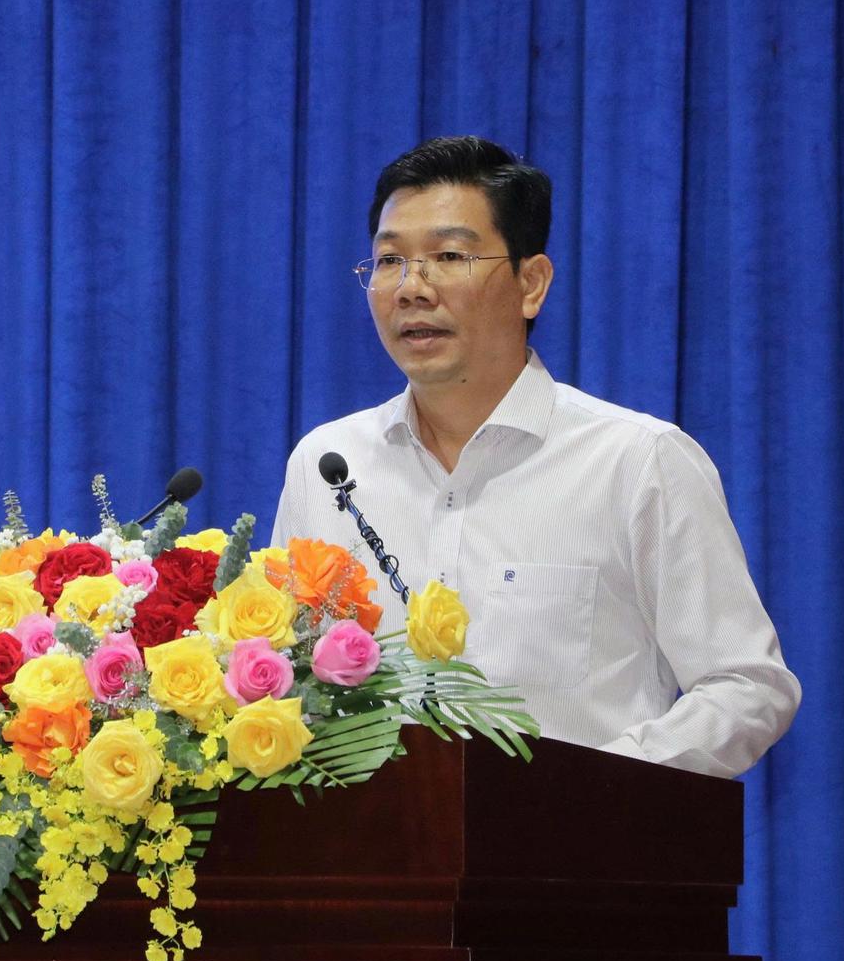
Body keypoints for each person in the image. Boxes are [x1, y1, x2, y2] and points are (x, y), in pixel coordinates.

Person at [271, 136, 800, 778]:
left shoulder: (636, 461)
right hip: (373, 841)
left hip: (580, 838)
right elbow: (284, 683)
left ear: (531, 283)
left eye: (449, 256)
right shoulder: (327, 463)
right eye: (389, 261)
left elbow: (746, 685)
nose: (412, 288)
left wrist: (587, 792)